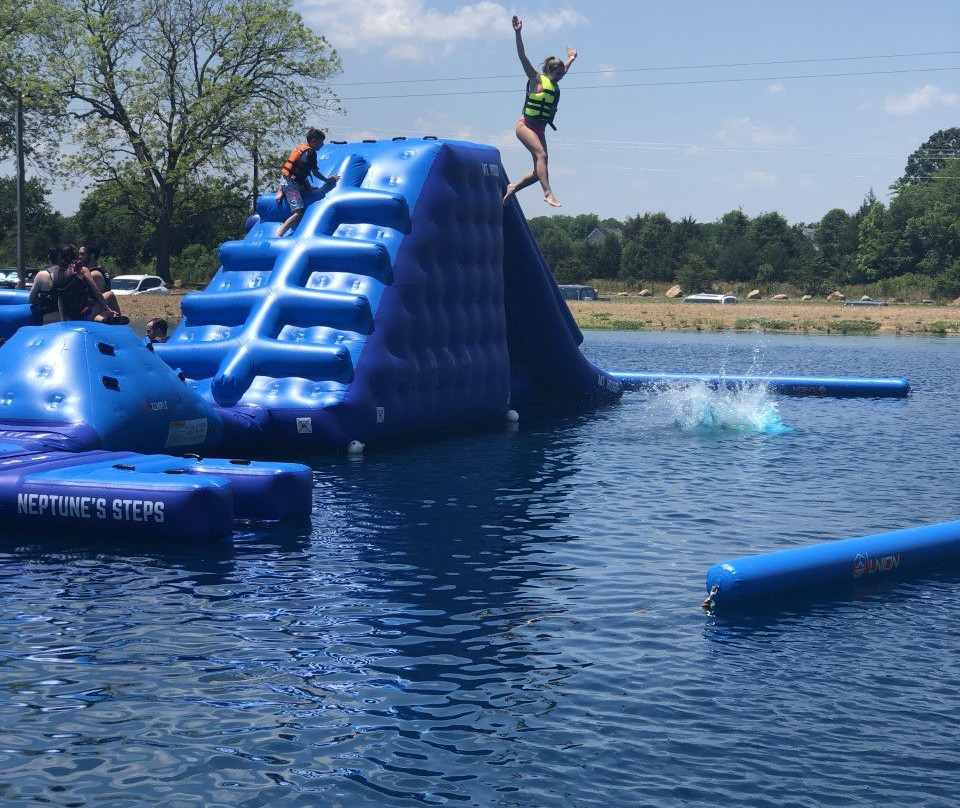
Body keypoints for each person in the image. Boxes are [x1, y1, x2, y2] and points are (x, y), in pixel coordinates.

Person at [502, 15, 577, 208]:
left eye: (562, 73)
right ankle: (548, 193)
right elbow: (522, 56)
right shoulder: (536, 79)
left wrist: (571, 58)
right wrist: (518, 33)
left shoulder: (554, 80)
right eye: (558, 73)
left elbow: (565, 69)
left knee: (539, 171)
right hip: (525, 126)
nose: (562, 76)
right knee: (541, 156)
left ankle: (514, 187)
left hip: (540, 129)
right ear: (548, 70)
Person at [275, 128, 341, 237]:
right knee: (297, 213)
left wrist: (309, 187)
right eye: (321, 142)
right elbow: (314, 172)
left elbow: (301, 172)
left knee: (295, 184)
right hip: (291, 184)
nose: (322, 145)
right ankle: (279, 235)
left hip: (287, 180)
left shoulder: (302, 148)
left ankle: (281, 189)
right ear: (314, 141)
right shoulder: (310, 153)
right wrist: (328, 180)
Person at [51, 244, 129, 325]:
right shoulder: (82, 270)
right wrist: (107, 309)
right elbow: (96, 291)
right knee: (110, 294)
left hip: (68, 317)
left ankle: (105, 320)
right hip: (84, 316)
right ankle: (120, 325)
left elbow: (60, 299)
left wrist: (63, 320)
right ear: (75, 256)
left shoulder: (56, 273)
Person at [28, 247, 63, 324]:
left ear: (48, 258)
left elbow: (32, 299)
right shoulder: (71, 274)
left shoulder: (42, 275)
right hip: (68, 319)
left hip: (49, 319)